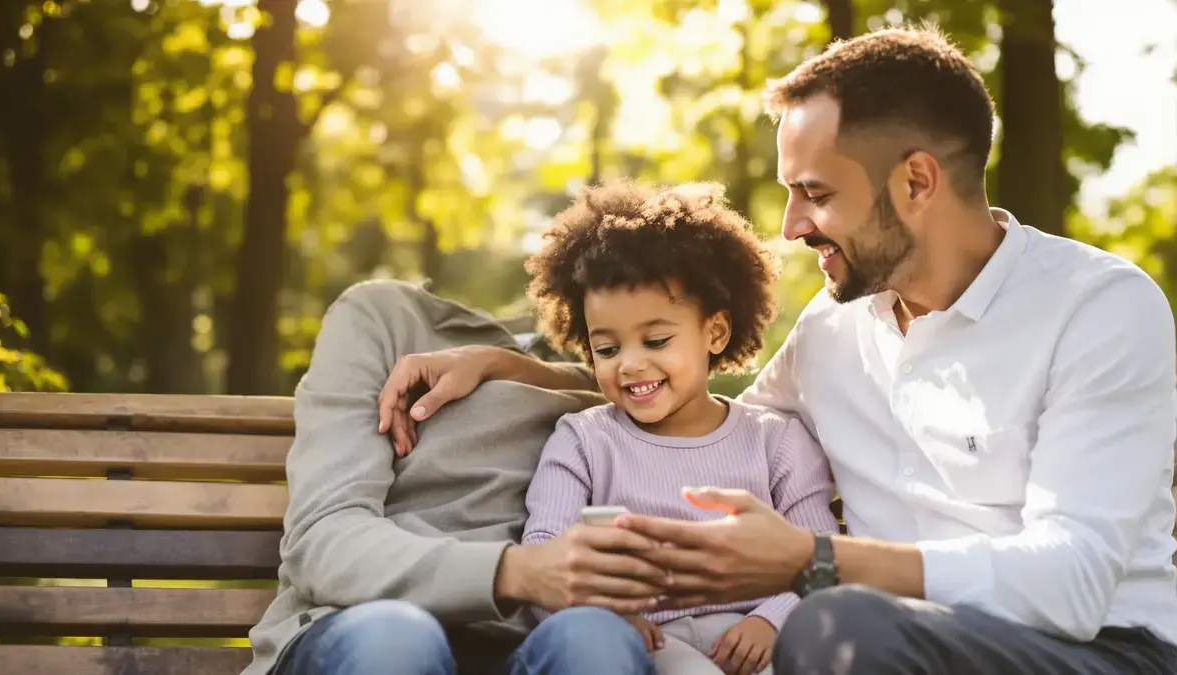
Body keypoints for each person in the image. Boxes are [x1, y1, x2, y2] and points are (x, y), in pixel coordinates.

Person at [376, 26, 1177, 675]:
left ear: (918, 182)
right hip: (886, 645)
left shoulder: (1099, 308)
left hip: (1095, 651)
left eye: (817, 193)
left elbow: (1072, 583)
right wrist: (507, 364)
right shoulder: (835, 332)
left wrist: (814, 557)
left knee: (841, 625)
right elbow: (686, 404)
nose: (791, 226)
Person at [240, 279, 671, 675]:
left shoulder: (627, 366)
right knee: (398, 641)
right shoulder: (384, 316)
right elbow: (323, 540)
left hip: (536, 644)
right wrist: (514, 572)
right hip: (367, 627)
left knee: (597, 642)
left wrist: (501, 364)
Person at [516, 180, 840, 675]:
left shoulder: (775, 442)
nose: (630, 364)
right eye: (607, 349)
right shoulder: (583, 441)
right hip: (637, 649)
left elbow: (820, 555)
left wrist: (771, 621)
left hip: (760, 640)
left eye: (656, 340)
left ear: (715, 332)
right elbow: (543, 550)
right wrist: (607, 614)